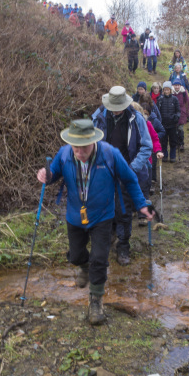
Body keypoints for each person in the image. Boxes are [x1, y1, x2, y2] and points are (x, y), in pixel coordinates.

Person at [37, 119, 153, 325]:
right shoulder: (64, 154)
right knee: (75, 256)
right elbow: (53, 174)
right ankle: (84, 266)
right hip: (75, 215)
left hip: (102, 216)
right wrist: (46, 175)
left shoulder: (110, 154)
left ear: (93, 141)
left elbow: (130, 179)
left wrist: (141, 204)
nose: (79, 153)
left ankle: (96, 301)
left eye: (84, 148)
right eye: (76, 148)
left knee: (100, 258)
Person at [92, 86, 153, 265]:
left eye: (119, 106)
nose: (116, 110)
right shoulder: (99, 117)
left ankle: (123, 247)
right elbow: (91, 142)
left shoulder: (136, 118)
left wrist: (132, 168)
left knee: (124, 210)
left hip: (127, 170)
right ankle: (109, 235)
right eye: (113, 106)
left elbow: (146, 146)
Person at [131, 103, 163, 208]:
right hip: (130, 162)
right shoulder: (126, 128)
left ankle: (142, 214)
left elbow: (154, 139)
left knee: (144, 186)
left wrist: (158, 150)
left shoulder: (147, 124)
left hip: (146, 162)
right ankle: (134, 208)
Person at [140, 101, 165, 185]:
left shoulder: (149, 124)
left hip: (149, 156)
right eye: (142, 113)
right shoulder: (132, 124)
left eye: (146, 114)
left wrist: (158, 150)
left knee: (151, 168)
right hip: (136, 158)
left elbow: (155, 139)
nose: (144, 116)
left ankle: (151, 182)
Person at [157, 81, 180, 163]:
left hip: (173, 124)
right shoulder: (160, 100)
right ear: (163, 90)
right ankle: (165, 155)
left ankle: (173, 156)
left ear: (170, 90)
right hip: (163, 124)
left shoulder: (175, 99)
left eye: (168, 90)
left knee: (173, 141)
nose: (166, 91)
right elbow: (157, 112)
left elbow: (178, 111)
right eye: (165, 90)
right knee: (164, 141)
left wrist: (176, 117)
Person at [172, 78, 189, 151]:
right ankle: (176, 143)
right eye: (175, 85)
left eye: (178, 85)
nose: (177, 87)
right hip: (173, 113)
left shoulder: (184, 92)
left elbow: (187, 103)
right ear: (173, 85)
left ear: (180, 85)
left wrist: (188, 115)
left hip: (182, 113)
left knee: (180, 129)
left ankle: (181, 143)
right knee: (175, 129)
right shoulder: (171, 92)